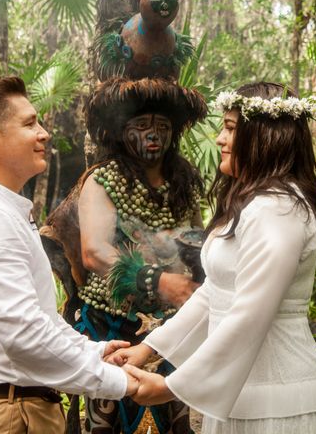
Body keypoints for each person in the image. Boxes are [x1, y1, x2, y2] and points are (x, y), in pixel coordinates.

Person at [108, 82, 316, 433]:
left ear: (265, 138)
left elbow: (251, 313)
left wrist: (174, 386)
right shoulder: (254, 203)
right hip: (242, 395)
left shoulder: (278, 210)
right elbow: (215, 294)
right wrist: (150, 348)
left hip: (280, 404)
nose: (219, 139)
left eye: (231, 129)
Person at [0, 77, 139, 434]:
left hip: (21, 407)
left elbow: (38, 317)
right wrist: (119, 383)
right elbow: (24, 335)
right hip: (5, 415)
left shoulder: (1, 209)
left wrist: (95, 352)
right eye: (29, 123)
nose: (43, 133)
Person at [41, 76, 207, 433]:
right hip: (111, 323)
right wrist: (161, 281)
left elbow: (198, 242)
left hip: (172, 326)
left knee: (176, 418)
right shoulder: (104, 180)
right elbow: (95, 253)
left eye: (163, 127)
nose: (154, 135)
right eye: (142, 126)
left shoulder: (183, 181)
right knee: (107, 422)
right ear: (122, 132)